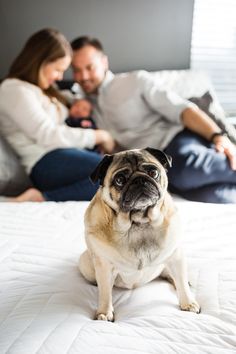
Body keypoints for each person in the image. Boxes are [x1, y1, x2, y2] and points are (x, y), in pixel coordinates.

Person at [69, 36, 236, 204]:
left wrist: (218, 136)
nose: (83, 76)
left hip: (176, 143)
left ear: (104, 62)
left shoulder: (135, 81)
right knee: (211, 196)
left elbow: (183, 110)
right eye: (76, 70)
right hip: (151, 167)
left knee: (184, 172)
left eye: (89, 67)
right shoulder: (82, 106)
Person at [0, 29, 115, 202]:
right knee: (115, 171)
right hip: (45, 161)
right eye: (57, 69)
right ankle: (42, 198)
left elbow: (76, 99)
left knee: (119, 176)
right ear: (40, 62)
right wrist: (100, 136)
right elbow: (48, 136)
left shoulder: (46, 91)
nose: (60, 76)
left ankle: (44, 197)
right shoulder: (13, 89)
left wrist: (80, 104)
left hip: (66, 155)